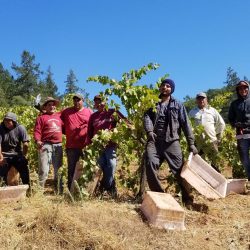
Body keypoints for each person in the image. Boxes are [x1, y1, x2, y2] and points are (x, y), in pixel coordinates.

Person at [144, 79, 198, 205]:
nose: (165, 87)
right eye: (163, 85)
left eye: (168, 86)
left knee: (180, 171)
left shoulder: (178, 104)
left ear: (171, 89)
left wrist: (191, 143)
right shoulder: (153, 103)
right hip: (155, 141)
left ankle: (188, 199)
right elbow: (147, 118)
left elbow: (186, 124)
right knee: (150, 164)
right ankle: (161, 197)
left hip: (172, 141)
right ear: (160, 88)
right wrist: (149, 131)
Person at [87, 95, 125, 198]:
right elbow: (89, 132)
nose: (99, 103)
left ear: (105, 102)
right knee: (101, 167)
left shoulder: (113, 112)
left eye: (101, 101)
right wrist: (89, 145)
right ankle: (104, 189)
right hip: (97, 146)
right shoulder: (93, 116)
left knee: (111, 165)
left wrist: (118, 132)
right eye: (96, 102)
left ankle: (106, 187)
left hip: (110, 145)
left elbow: (126, 123)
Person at [61, 93, 92, 190]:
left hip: (86, 146)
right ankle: (71, 190)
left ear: (83, 101)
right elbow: (56, 118)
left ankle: (85, 189)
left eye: (78, 100)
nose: (76, 102)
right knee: (71, 169)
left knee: (87, 168)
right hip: (71, 146)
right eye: (74, 100)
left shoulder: (89, 112)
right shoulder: (66, 111)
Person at [189, 92, 225, 171]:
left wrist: (218, 137)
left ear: (206, 100)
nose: (201, 100)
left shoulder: (212, 111)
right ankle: (203, 182)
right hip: (198, 143)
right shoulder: (192, 112)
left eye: (203, 98)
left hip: (212, 141)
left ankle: (218, 180)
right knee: (201, 163)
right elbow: (189, 126)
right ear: (196, 100)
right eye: (199, 98)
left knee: (215, 161)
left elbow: (221, 124)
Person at [34, 97, 63, 190]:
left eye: (53, 104)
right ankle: (40, 190)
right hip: (45, 145)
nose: (52, 106)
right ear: (45, 107)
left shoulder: (59, 116)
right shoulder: (41, 118)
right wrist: (38, 140)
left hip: (58, 145)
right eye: (49, 105)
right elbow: (37, 131)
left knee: (58, 168)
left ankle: (58, 188)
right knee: (44, 169)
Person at [228, 80, 250, 185]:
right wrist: (235, 124)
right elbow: (230, 118)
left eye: (245, 88)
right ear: (238, 91)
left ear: (248, 89)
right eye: (240, 89)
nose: (243, 90)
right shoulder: (234, 104)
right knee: (244, 159)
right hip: (242, 134)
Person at [0, 112, 30, 186]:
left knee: (24, 172)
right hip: (4, 155)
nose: (6, 122)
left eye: (9, 120)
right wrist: (0, 158)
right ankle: (3, 191)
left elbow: (25, 144)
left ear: (14, 121)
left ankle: (27, 189)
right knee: (1, 175)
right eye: (5, 120)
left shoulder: (20, 128)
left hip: (17, 155)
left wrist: (24, 155)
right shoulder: (0, 128)